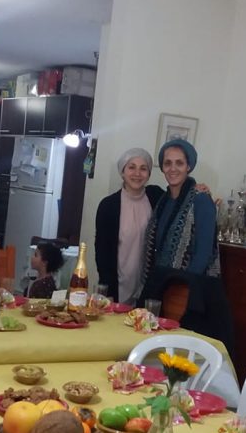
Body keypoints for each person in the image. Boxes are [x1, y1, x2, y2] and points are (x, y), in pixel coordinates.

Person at [140, 138, 233, 350]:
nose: (173, 169)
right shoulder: (162, 200)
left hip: (190, 296)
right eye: (168, 163)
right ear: (162, 167)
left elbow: (204, 252)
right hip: (163, 289)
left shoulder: (200, 200)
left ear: (189, 166)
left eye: (179, 163)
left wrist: (183, 289)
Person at [95, 148, 163, 303]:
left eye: (143, 168)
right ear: (122, 172)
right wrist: (108, 290)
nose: (137, 173)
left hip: (147, 287)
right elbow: (102, 252)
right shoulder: (108, 206)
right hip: (117, 287)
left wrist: (195, 188)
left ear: (149, 174)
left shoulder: (156, 197)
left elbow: (178, 199)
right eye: (131, 167)